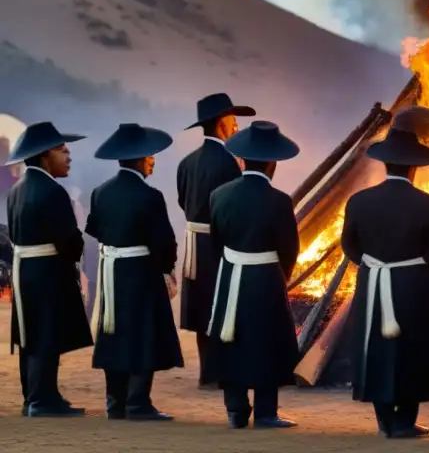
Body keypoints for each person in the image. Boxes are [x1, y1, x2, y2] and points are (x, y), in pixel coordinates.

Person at [341, 108, 429, 438]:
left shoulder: (359, 202)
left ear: (385, 163)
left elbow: (349, 246)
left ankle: (384, 420)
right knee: (413, 348)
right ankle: (405, 420)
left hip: (373, 282)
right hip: (414, 284)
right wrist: (414, 268)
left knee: (377, 347)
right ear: (415, 167)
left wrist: (374, 266)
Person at [86, 123, 184, 421]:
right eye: (150, 155)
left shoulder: (99, 192)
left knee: (114, 333)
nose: (153, 159)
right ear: (139, 158)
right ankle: (138, 403)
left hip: (111, 274)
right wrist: (167, 270)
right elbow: (164, 242)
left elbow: (94, 229)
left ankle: (115, 402)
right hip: (141, 272)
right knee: (144, 334)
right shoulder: (150, 196)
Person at [206, 121, 300, 429]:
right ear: (273, 162)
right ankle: (265, 412)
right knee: (265, 342)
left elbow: (216, 241)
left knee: (230, 340)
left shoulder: (218, 195)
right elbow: (289, 249)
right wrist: (278, 276)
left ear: (242, 159)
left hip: (230, 274)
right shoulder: (280, 200)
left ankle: (235, 410)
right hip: (266, 278)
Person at [5, 121, 93, 417]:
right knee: (46, 333)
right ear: (45, 155)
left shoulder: (17, 189)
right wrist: (77, 255)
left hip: (25, 270)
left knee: (31, 334)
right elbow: (69, 240)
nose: (69, 157)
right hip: (47, 270)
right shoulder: (53, 191)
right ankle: (43, 401)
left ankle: (35, 395)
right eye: (63, 151)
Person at [177, 92, 254, 388]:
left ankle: (207, 372)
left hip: (194, 243)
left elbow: (184, 202)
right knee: (223, 305)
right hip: (221, 244)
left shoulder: (186, 162)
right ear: (221, 124)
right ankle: (222, 372)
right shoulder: (229, 162)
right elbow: (235, 205)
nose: (236, 126)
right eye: (233, 120)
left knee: (200, 308)